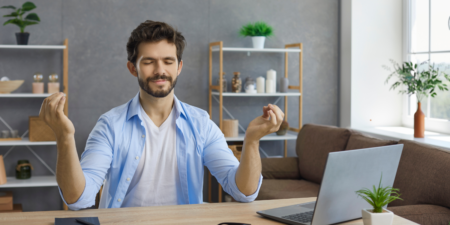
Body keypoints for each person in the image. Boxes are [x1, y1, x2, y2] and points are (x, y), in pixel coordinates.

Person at [39, 20, 284, 210]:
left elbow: (243, 192)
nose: (160, 70)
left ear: (179, 66)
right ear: (132, 67)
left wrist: (251, 141)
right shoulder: (110, 125)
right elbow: (78, 199)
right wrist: (64, 137)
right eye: (149, 62)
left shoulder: (201, 124)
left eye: (168, 61)